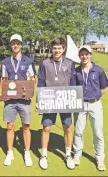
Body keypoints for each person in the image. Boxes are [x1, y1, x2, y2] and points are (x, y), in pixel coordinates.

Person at [37, 37, 76, 170]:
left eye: (59, 48)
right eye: (54, 48)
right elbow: (41, 83)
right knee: (46, 128)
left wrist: (73, 99)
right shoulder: (44, 63)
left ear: (63, 49)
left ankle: (68, 155)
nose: (57, 50)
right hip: (49, 100)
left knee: (67, 127)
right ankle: (43, 155)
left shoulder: (70, 63)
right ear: (51, 49)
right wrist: (39, 101)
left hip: (65, 100)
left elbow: (73, 83)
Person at [0, 34, 36, 167]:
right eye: (13, 43)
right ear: (11, 45)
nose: (15, 45)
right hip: (10, 100)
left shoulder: (28, 61)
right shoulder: (5, 62)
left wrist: (30, 94)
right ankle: (10, 152)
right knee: (10, 126)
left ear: (21, 45)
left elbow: (32, 79)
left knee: (26, 126)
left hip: (24, 99)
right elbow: (4, 80)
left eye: (18, 43)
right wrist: (4, 95)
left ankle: (27, 152)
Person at [73, 45, 108, 171]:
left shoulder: (99, 70)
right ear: (79, 56)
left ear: (90, 55)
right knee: (78, 131)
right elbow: (73, 89)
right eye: (82, 54)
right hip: (80, 104)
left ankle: (100, 158)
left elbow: (104, 88)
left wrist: (96, 96)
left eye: (86, 54)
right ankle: (77, 155)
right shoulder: (76, 71)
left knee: (98, 133)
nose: (84, 56)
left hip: (95, 104)